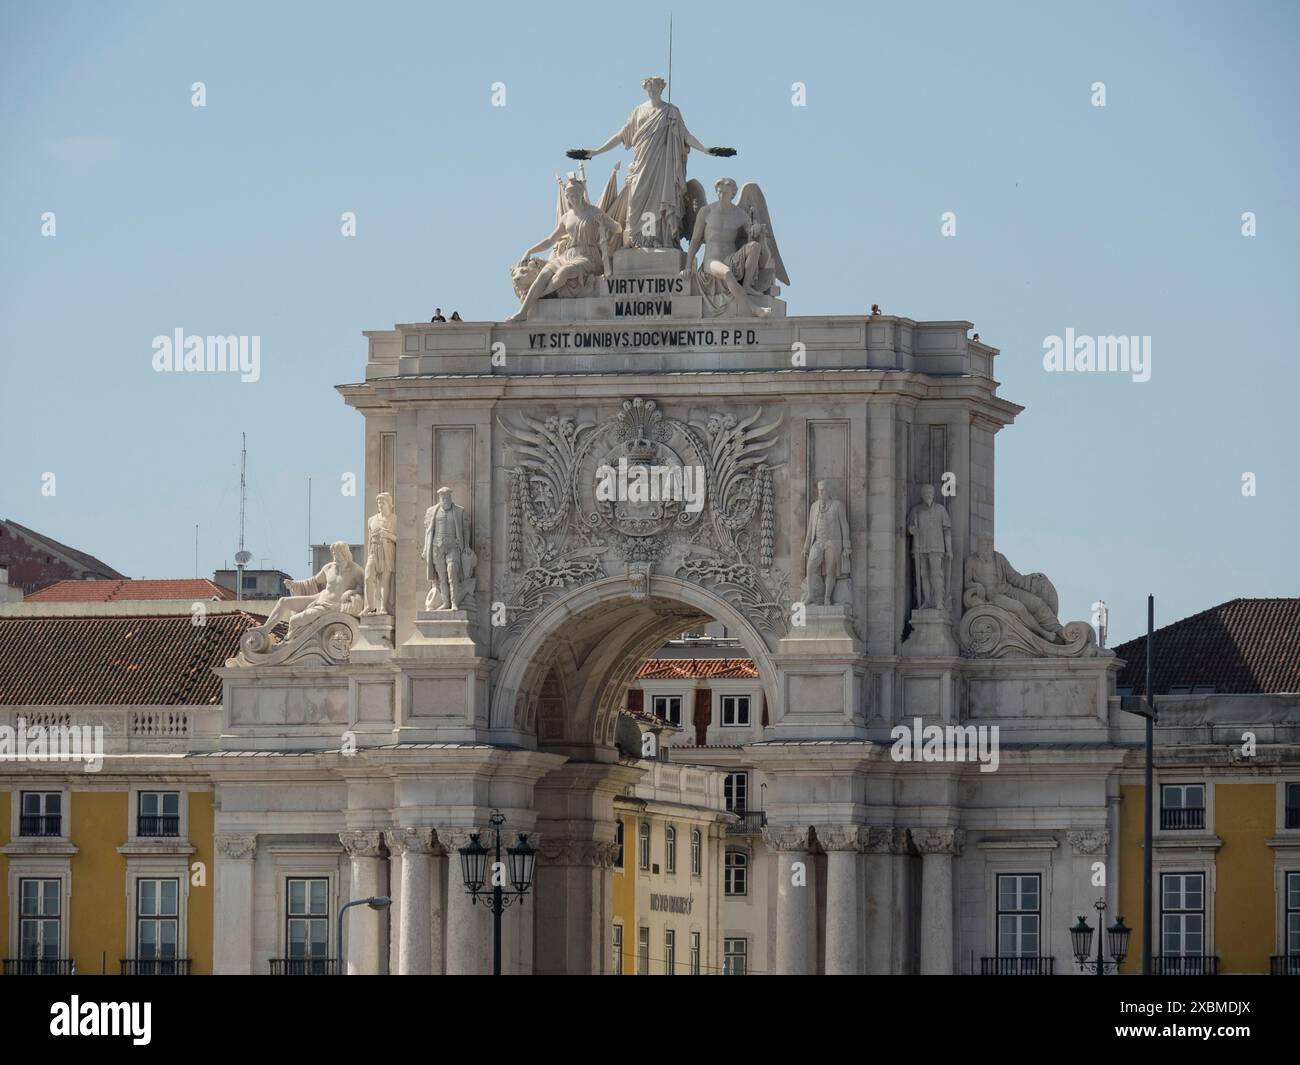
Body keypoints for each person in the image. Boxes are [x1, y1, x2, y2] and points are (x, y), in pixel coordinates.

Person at [569, 76, 732, 248]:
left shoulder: (671, 111)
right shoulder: (639, 111)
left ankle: (661, 240)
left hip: (663, 168)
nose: (653, 91)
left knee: (661, 202)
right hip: (641, 166)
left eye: (656, 88)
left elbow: (686, 136)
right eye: (650, 88)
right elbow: (621, 136)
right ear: (646, 89)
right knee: (635, 203)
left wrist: (706, 150)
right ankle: (634, 240)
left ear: (662, 89)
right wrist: (596, 151)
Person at [506, 175, 619, 322]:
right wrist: (530, 251)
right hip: (568, 255)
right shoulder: (566, 217)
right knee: (544, 273)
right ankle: (522, 313)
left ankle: (540, 296)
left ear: (581, 194)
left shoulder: (594, 212)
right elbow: (550, 240)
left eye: (576, 195)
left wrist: (603, 223)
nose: (573, 198)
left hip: (588, 257)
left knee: (564, 272)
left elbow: (617, 228)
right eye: (570, 196)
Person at [259, 542, 364, 637]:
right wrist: (295, 584)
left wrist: (352, 592)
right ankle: (264, 630)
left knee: (294, 621)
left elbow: (366, 589)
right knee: (283, 601)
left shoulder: (355, 570)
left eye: (338, 554)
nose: (335, 557)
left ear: (345, 554)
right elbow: (313, 581)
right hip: (319, 598)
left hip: (330, 606)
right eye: (333, 554)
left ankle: (290, 644)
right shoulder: (328, 568)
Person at [802, 480, 851, 605]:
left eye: (823, 490)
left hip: (832, 543)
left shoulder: (838, 505)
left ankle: (827, 597)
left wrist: (846, 546)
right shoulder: (814, 506)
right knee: (810, 567)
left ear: (828, 490)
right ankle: (811, 594)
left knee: (830, 570)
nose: (820, 492)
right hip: (818, 541)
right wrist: (806, 547)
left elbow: (844, 526)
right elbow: (810, 528)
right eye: (819, 490)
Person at [422, 486, 469, 610]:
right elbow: (428, 532)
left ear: (450, 497)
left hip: (453, 547)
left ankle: (454, 602)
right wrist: (426, 550)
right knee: (441, 577)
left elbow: (465, 530)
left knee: (452, 572)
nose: (445, 499)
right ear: (439, 498)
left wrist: (467, 546)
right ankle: (446, 602)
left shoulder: (459, 511)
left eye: (447, 496)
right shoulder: (432, 511)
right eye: (443, 497)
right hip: (437, 547)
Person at [907, 484, 953, 610]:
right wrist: (912, 529)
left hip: (937, 547)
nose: (928, 494)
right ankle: (927, 601)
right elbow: (909, 527)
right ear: (922, 495)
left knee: (936, 574)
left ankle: (939, 602)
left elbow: (947, 530)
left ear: (933, 494)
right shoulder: (916, 510)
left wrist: (949, 550)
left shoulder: (940, 509)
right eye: (926, 492)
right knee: (923, 574)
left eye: (930, 492)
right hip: (920, 547)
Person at [362, 492, 396, 615]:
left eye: (382, 502)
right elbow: (369, 540)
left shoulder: (394, 519)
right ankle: (370, 605)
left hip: (387, 549)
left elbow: (399, 539)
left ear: (388, 504)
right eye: (378, 503)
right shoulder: (371, 519)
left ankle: (383, 607)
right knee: (368, 576)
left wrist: (388, 535)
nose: (380, 505)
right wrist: (369, 554)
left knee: (385, 580)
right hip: (374, 550)